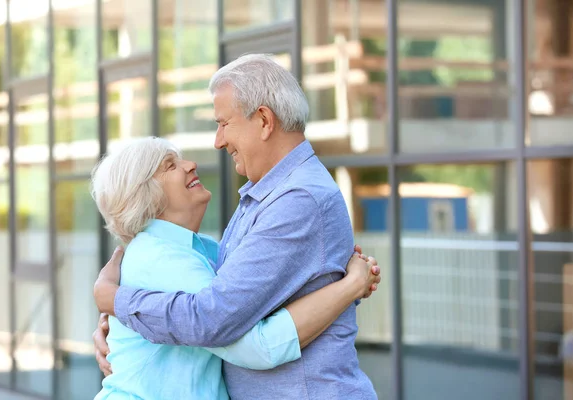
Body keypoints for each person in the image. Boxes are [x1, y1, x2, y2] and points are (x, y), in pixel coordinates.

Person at [93, 53, 380, 399]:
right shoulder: (261, 198)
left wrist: (117, 300)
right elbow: (217, 309)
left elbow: (213, 319)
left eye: (223, 123)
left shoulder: (297, 200)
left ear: (263, 121)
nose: (217, 141)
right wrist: (118, 319)